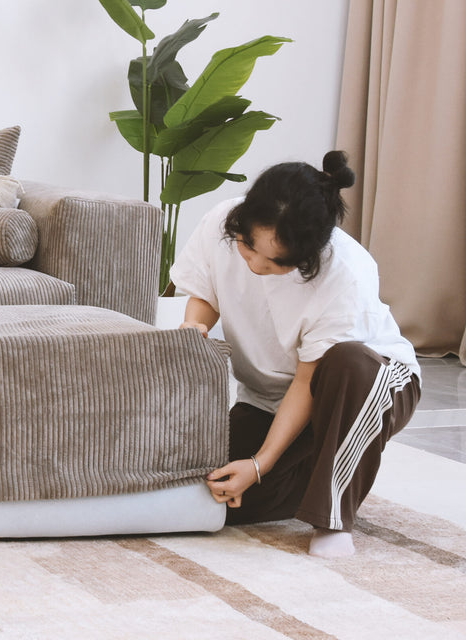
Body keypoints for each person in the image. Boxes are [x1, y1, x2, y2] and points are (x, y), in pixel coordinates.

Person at [170, 151, 421, 558]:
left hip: (365, 387)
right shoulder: (220, 220)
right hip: (269, 398)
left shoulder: (346, 273)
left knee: (349, 362)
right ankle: (315, 475)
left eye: (276, 262)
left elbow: (308, 382)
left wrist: (262, 463)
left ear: (307, 254)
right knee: (214, 495)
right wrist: (193, 326)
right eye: (248, 246)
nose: (256, 264)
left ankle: (334, 516)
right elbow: (206, 293)